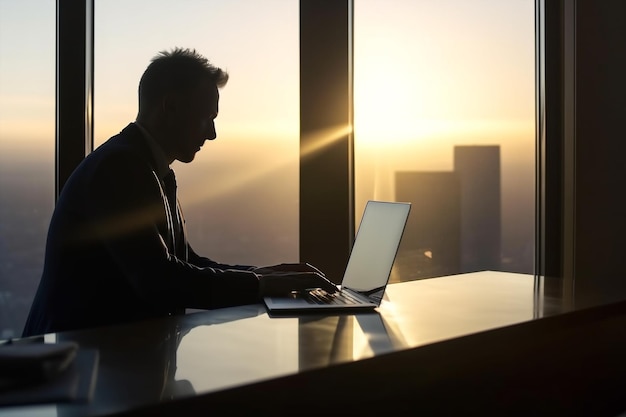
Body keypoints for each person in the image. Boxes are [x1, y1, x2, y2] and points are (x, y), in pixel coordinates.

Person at [23, 48, 335, 337]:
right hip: (74, 367)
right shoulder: (120, 168)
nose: (212, 134)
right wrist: (263, 283)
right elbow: (160, 280)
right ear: (170, 106)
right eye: (206, 118)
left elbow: (185, 263)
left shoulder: (144, 166)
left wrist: (269, 275)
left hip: (95, 361)